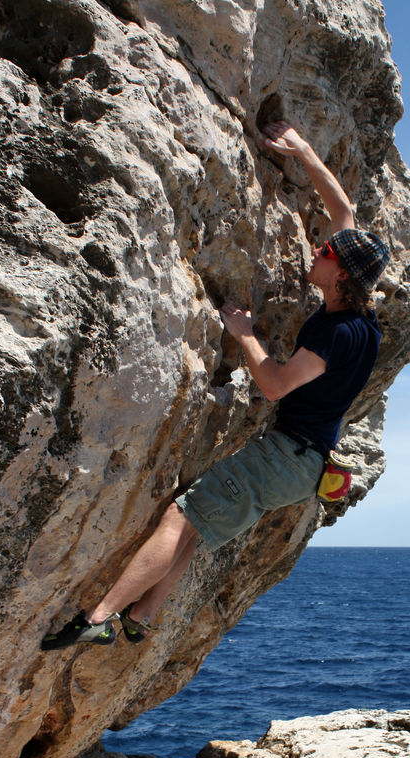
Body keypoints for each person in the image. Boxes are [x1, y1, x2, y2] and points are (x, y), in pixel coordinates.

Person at [41, 121, 390, 650]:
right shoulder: (359, 320)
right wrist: (301, 151)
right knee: (199, 521)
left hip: (287, 457)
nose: (319, 248)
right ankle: (145, 614)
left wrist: (245, 335)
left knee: (180, 515)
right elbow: (342, 209)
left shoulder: (334, 333)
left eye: (326, 254)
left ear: (341, 275)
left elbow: (274, 385)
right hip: (305, 462)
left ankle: (101, 616)